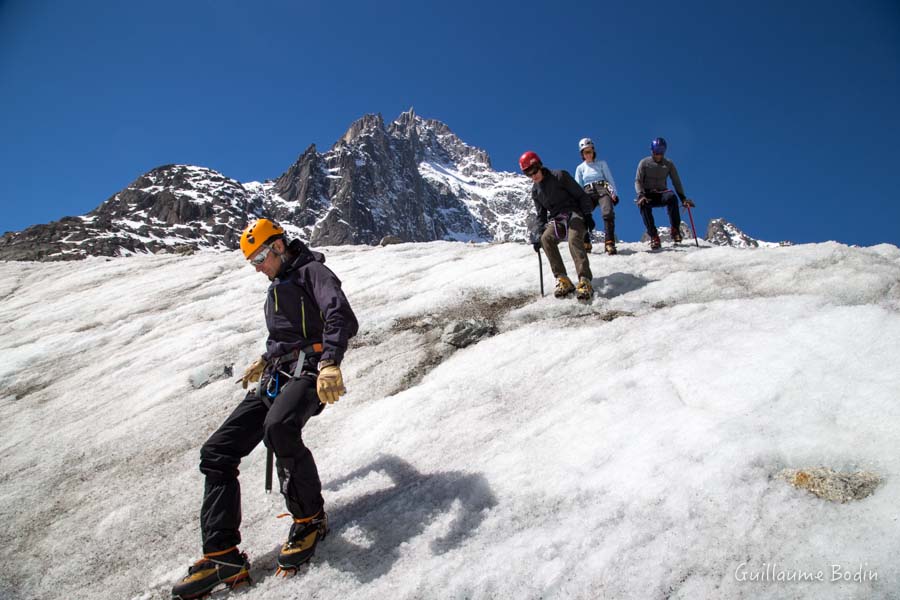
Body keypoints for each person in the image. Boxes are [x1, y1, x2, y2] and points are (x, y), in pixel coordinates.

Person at [172, 218, 359, 599]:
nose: (257, 267)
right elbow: (284, 335)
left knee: (280, 428)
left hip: (310, 370)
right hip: (277, 374)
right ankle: (222, 554)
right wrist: (263, 358)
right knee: (217, 452)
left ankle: (309, 519)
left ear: (277, 246)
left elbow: (341, 315)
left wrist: (331, 362)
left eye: (259, 257)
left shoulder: (313, 272)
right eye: (251, 261)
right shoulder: (277, 286)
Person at [521, 150, 596, 300]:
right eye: (528, 174)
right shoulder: (536, 191)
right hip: (558, 219)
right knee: (546, 239)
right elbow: (541, 215)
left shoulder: (560, 176)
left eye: (534, 170)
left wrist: (587, 215)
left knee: (574, 239)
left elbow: (581, 195)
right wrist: (537, 235)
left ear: (539, 165)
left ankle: (585, 281)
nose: (533, 175)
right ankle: (563, 280)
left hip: (575, 213)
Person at [634, 137, 695, 250]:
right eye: (656, 151)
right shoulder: (644, 163)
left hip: (662, 193)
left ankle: (675, 230)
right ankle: (654, 236)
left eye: (661, 152)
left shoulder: (668, 164)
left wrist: (683, 198)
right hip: (647, 195)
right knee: (643, 204)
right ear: (652, 150)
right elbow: (638, 181)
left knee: (672, 197)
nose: (658, 154)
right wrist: (640, 195)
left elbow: (676, 181)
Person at [574, 137, 619, 255]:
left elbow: (609, 178)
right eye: (585, 152)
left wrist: (614, 193)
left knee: (607, 212)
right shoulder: (580, 168)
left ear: (593, 151)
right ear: (582, 154)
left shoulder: (601, 164)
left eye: (590, 151)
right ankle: (586, 242)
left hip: (602, 188)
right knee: (582, 213)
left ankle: (609, 242)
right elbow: (578, 185)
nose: (588, 154)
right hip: (587, 191)